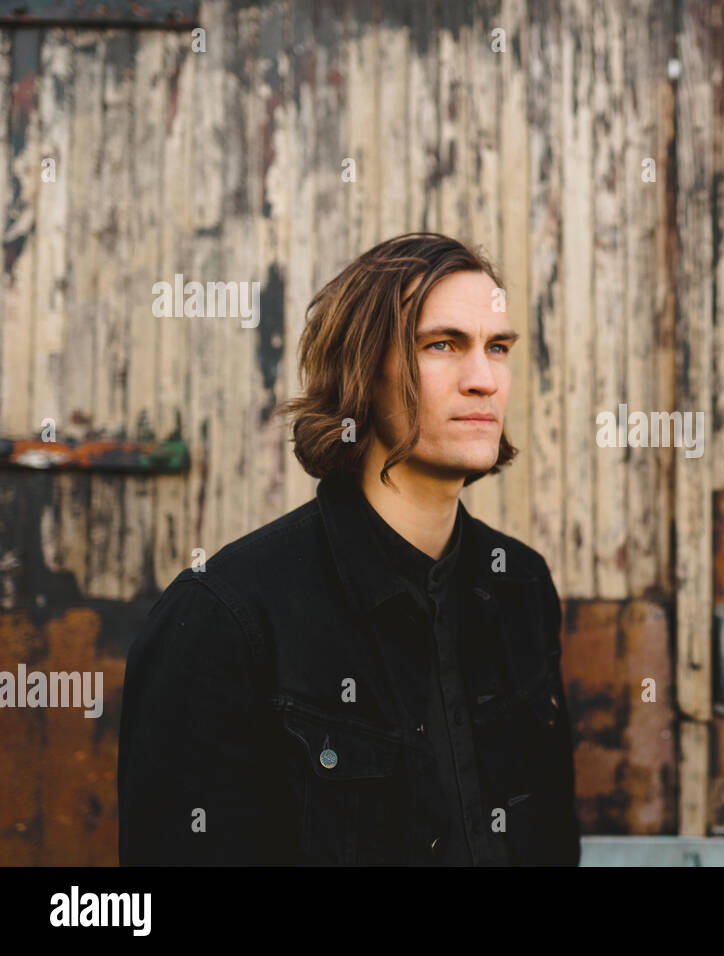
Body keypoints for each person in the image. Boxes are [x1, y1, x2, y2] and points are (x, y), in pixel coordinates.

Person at [118, 233, 580, 866]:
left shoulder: (520, 585)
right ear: (361, 369)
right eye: (442, 345)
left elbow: (552, 839)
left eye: (496, 348)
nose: (484, 380)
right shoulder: (226, 616)